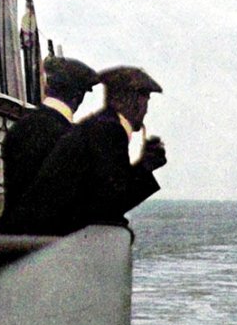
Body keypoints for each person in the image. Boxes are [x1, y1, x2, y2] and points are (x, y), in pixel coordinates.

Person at [10, 65, 167, 237]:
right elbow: (109, 204)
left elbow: (104, 193)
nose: (146, 110)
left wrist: (144, 167)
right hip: (42, 239)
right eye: (146, 100)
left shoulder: (98, 126)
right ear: (135, 100)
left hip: (34, 232)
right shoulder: (110, 131)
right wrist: (144, 169)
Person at [0, 55, 99, 235]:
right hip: (49, 249)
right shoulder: (72, 138)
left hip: (8, 243)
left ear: (47, 88)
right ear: (78, 96)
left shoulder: (17, 130)